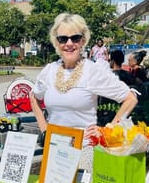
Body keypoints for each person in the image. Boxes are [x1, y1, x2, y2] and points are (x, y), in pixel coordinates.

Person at [30, 13, 138, 173]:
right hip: (54, 150)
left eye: (75, 38)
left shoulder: (92, 71)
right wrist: (44, 128)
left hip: (84, 152)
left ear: (82, 41)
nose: (69, 43)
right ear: (56, 42)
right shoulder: (49, 71)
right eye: (63, 39)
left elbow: (130, 99)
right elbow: (34, 96)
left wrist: (107, 129)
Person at [97, 49, 136, 126]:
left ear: (112, 61)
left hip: (108, 113)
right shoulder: (129, 76)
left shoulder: (109, 77)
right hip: (127, 111)